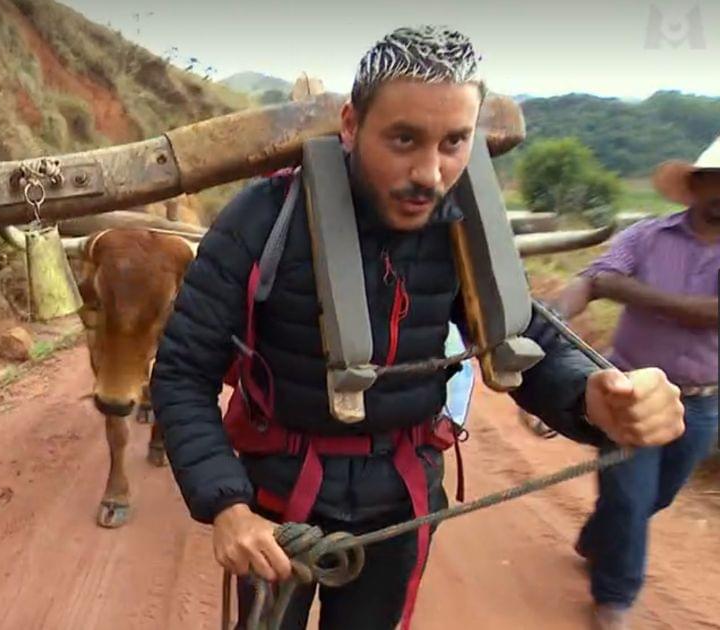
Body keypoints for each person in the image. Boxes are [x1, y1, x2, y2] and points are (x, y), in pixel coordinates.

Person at [149, 25, 686, 630]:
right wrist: (228, 506)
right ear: (351, 124)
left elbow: (522, 336)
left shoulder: (462, 227)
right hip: (278, 501)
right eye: (404, 139)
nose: (430, 173)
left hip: (402, 502)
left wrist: (595, 396)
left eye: (454, 142)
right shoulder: (262, 219)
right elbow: (182, 371)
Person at [550, 135, 720, 629]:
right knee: (630, 498)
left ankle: (596, 538)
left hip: (700, 403)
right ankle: (615, 599)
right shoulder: (647, 236)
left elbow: (711, 313)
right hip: (628, 389)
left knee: (656, 497)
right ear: (697, 184)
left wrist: (627, 291)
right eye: (717, 181)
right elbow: (592, 279)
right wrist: (550, 316)